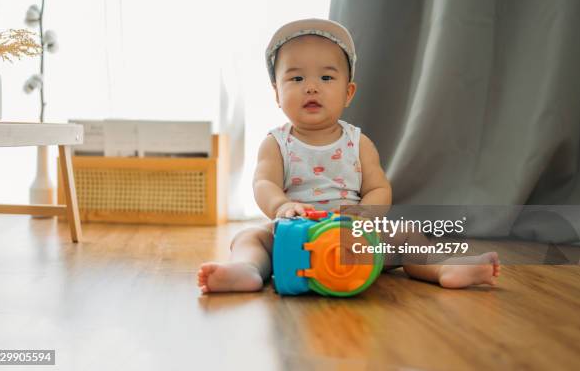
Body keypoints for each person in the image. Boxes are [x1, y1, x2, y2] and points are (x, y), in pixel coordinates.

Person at [198, 19, 500, 293]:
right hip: (297, 237)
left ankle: (443, 268)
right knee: (251, 238)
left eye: (327, 78)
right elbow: (263, 183)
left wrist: (363, 216)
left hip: (354, 236)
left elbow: (379, 188)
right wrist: (282, 205)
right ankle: (247, 270)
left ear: (348, 92)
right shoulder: (276, 143)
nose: (312, 87)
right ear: (277, 93)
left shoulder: (359, 142)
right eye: (296, 79)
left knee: (407, 235)